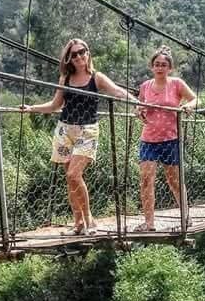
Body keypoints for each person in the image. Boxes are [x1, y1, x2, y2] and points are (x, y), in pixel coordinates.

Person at [20, 39, 132, 235]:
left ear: (88, 53)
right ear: (69, 59)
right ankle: (78, 223)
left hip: (87, 130)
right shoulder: (65, 79)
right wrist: (32, 108)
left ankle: (89, 220)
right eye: (74, 54)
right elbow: (55, 105)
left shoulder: (96, 78)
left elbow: (117, 91)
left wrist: (137, 102)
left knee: (74, 174)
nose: (79, 56)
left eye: (82, 52)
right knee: (70, 179)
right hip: (65, 130)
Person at [134, 46, 198, 231]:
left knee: (174, 181)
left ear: (170, 68)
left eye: (163, 65)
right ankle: (149, 222)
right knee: (146, 180)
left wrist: (188, 107)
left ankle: (185, 217)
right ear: (152, 67)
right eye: (157, 64)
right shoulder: (145, 86)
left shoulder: (176, 83)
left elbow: (196, 99)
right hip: (148, 139)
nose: (160, 68)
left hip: (171, 139)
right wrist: (139, 111)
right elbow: (139, 106)